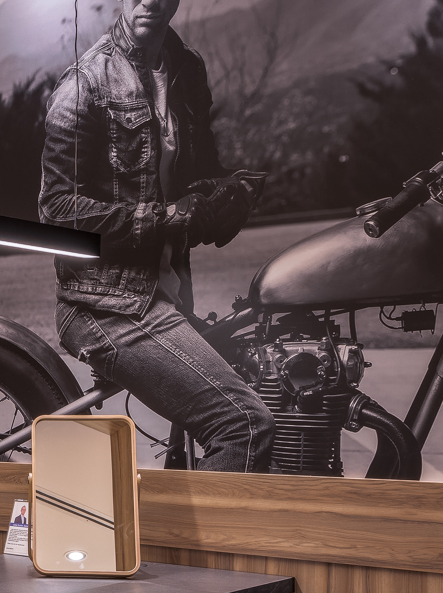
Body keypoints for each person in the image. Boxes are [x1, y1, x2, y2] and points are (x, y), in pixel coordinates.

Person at [39, 0, 274, 473]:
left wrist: (228, 193)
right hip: (106, 306)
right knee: (245, 425)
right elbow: (55, 210)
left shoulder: (186, 68)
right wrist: (165, 218)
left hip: (168, 294)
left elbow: (198, 172)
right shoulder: (86, 83)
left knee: (272, 371)